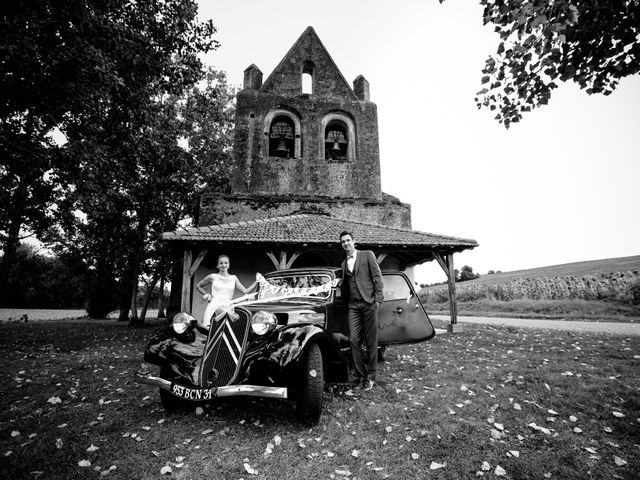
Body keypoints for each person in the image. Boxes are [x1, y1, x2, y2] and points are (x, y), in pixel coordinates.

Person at [339, 230, 384, 391]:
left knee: (371, 340)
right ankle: (359, 374)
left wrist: (378, 299)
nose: (346, 243)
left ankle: (370, 377)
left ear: (353, 241)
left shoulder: (367, 255)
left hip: (369, 303)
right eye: (343, 242)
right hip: (353, 305)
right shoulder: (343, 264)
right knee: (353, 339)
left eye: (348, 240)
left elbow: (377, 277)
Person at [196, 255, 257, 328]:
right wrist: (207, 294)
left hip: (228, 307)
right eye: (221, 263)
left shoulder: (234, 278)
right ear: (217, 266)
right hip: (214, 307)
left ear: (229, 265)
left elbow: (246, 291)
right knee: (211, 330)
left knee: (227, 330)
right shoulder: (212, 277)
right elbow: (198, 286)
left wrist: (256, 282)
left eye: (226, 263)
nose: (223, 265)